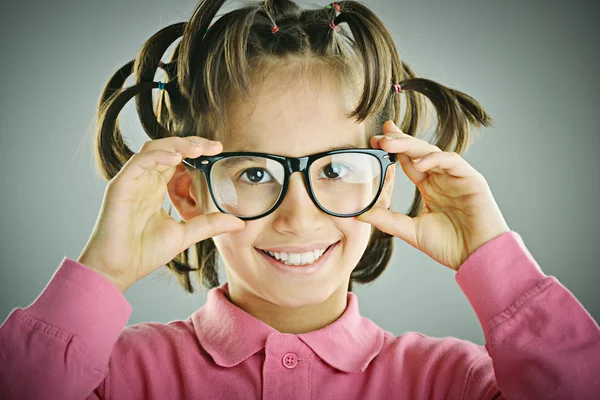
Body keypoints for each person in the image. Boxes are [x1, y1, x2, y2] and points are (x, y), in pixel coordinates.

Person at [1, 0, 599, 399]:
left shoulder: (452, 382)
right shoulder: (114, 378)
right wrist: (101, 273)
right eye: (256, 173)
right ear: (189, 192)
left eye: (337, 168)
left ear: (385, 181)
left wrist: (498, 265)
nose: (299, 215)